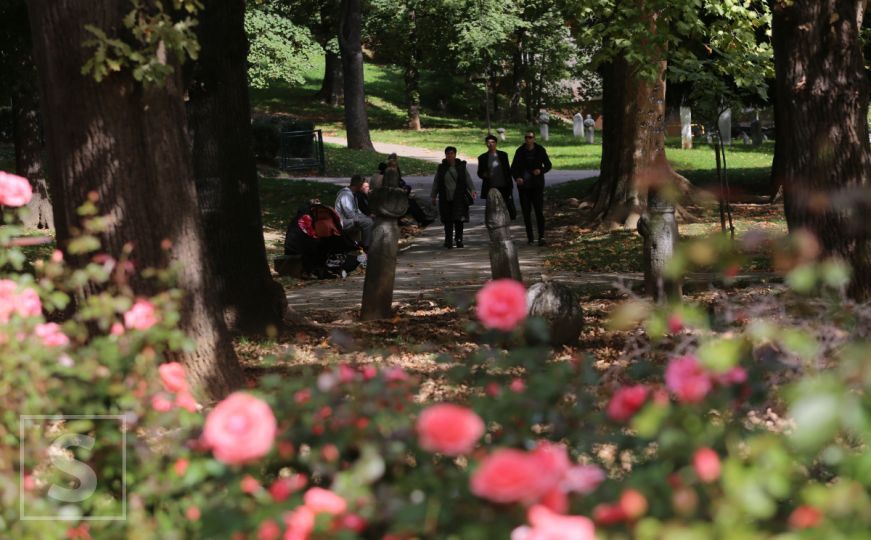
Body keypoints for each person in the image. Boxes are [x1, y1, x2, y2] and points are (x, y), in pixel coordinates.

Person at [510, 130, 552, 246]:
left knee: (539, 211)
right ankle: (530, 237)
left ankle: (541, 236)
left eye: (530, 137)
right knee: (526, 213)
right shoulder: (520, 151)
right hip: (524, 187)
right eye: (526, 137)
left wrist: (541, 170)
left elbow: (548, 165)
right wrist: (517, 177)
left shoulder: (540, 150)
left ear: (534, 139)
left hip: (537, 186)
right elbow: (513, 168)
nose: (528, 139)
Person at [431, 146, 476, 248]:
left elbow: (468, 179)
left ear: (455, 155)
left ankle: (459, 239)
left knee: (459, 220)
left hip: (459, 197)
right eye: (448, 154)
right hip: (445, 198)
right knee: (447, 220)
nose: (450, 156)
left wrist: (472, 190)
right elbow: (436, 182)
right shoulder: (441, 168)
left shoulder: (461, 167)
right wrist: (433, 196)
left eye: (451, 153)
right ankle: (448, 241)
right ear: (445, 155)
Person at [477, 134, 517, 220]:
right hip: (491, 187)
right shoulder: (482, 157)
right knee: (493, 210)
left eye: (492, 142)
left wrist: (511, 184)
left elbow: (508, 170)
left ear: (496, 143)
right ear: (486, 144)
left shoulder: (503, 155)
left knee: (507, 207)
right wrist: (484, 174)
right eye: (488, 142)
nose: (490, 144)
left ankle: (507, 222)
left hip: (504, 185)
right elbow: (479, 173)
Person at [335, 174, 373, 249]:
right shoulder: (346, 195)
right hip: (343, 221)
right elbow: (349, 214)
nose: (362, 186)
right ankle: (366, 246)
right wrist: (363, 220)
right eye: (361, 184)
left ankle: (368, 243)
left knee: (369, 220)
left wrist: (366, 217)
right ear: (358, 184)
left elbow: (357, 211)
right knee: (368, 223)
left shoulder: (353, 194)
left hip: (349, 220)